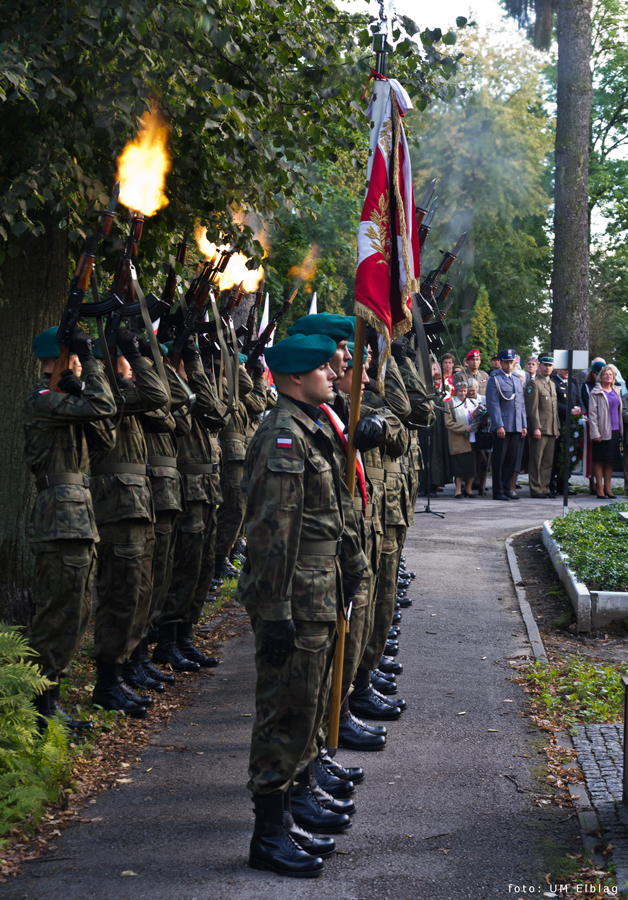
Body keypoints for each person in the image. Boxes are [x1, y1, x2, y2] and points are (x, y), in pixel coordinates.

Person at [237, 332, 349, 877]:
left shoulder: (309, 428)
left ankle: (285, 821)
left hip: (314, 589)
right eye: (322, 369)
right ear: (293, 379)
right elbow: (271, 533)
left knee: (303, 707)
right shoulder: (283, 435)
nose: (333, 374)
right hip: (296, 596)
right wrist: (276, 609)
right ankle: (267, 836)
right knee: (283, 712)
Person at [23, 326, 116, 729]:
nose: (83, 357)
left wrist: (80, 387)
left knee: (76, 612)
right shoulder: (44, 399)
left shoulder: (64, 397)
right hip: (59, 520)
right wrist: (92, 369)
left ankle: (50, 701)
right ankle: (39, 709)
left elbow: (106, 436)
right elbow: (103, 405)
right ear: (63, 356)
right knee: (56, 615)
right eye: (78, 352)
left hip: (76, 519)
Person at [89, 331, 169, 718]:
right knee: (119, 597)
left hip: (139, 506)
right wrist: (131, 359)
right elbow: (155, 395)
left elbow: (165, 404)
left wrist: (134, 359)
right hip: (116, 508)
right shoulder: (105, 396)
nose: (134, 370)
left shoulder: (123, 396)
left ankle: (120, 672)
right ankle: (107, 681)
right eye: (123, 359)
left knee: (138, 594)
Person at [485, 348, 527, 501]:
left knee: (512, 459)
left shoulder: (517, 380)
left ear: (514, 362)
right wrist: (498, 425)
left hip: (516, 425)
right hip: (503, 425)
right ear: (501, 363)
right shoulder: (494, 379)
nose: (509, 365)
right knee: (499, 460)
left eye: (511, 362)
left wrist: (523, 425)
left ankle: (507, 487)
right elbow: (493, 404)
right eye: (506, 363)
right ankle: (498, 491)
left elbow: (521, 404)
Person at [524, 354, 560, 498]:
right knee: (536, 460)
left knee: (547, 461)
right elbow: (532, 408)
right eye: (545, 365)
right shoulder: (534, 383)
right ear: (539, 366)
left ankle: (545, 487)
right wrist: (536, 427)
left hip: (551, 428)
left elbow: (554, 408)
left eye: (550, 366)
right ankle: (535, 488)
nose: (547, 368)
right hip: (540, 428)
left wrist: (556, 427)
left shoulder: (552, 384)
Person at [588, 364, 622, 499]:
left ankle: (608, 488)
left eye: (611, 374)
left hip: (615, 430)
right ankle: (599, 489)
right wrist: (595, 433)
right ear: (601, 377)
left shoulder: (616, 390)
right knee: (599, 460)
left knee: (610, 460)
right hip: (602, 431)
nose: (608, 376)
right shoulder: (596, 392)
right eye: (606, 374)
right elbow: (592, 414)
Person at [549, 366, 582, 497]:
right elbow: (553, 402)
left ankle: (563, 485)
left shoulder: (573, 382)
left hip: (572, 424)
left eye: (568, 369)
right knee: (556, 455)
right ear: (557, 370)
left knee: (568, 454)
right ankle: (551, 485)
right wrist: (568, 410)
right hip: (559, 422)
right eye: (564, 369)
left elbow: (577, 399)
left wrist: (578, 408)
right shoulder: (553, 382)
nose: (566, 372)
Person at [445, 379, 478, 498]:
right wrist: (464, 428)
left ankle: (468, 490)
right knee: (459, 466)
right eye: (460, 391)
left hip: (472, 439)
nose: (463, 393)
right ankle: (458, 489)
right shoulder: (450, 404)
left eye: (465, 391)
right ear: (456, 392)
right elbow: (448, 423)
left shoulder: (473, 403)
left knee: (472, 467)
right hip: (459, 440)